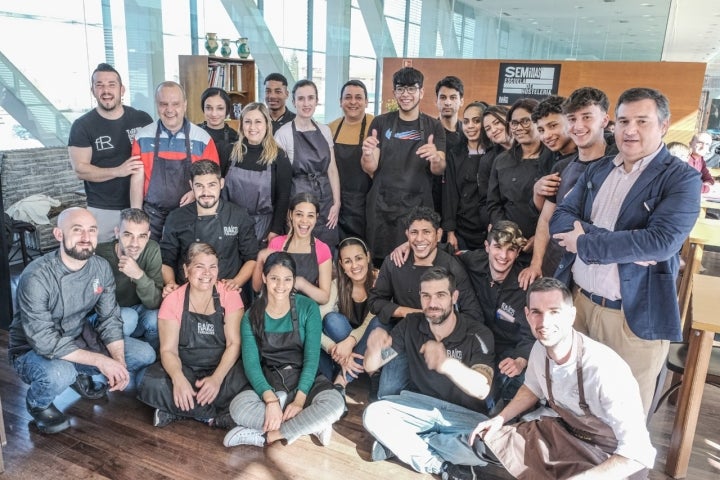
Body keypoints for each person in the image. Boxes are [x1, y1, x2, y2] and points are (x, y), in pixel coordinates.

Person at [550, 87, 702, 414]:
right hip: (579, 305)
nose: (630, 130)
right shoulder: (598, 168)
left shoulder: (681, 179)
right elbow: (560, 219)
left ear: (663, 125)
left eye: (642, 121)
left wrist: (584, 241)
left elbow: (659, 243)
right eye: (623, 121)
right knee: (574, 403)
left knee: (622, 416)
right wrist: (621, 243)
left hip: (631, 318)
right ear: (613, 126)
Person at [469, 277, 656, 480]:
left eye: (554, 312)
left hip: (606, 455)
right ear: (527, 315)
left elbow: (638, 454)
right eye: (536, 313)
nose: (544, 322)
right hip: (565, 436)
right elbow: (532, 387)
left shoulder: (605, 370)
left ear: (571, 315)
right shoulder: (539, 349)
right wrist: (499, 419)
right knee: (485, 441)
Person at [9, 207, 156, 434]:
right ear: (59, 235)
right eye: (77, 231)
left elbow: (109, 318)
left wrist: (117, 360)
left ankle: (81, 373)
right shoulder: (37, 276)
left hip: (78, 336)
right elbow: (45, 341)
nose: (86, 238)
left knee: (143, 354)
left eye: (92, 230)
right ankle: (38, 404)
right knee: (61, 373)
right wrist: (101, 361)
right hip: (31, 349)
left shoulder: (100, 267)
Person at [363, 267, 495, 479]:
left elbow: (482, 389)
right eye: (426, 296)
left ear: (454, 297)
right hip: (419, 406)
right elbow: (371, 366)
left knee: (489, 445)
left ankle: (405, 443)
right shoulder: (411, 324)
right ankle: (441, 466)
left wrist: (446, 364)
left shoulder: (478, 333)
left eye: (440, 295)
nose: (432, 303)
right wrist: (373, 349)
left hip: (462, 416)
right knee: (373, 414)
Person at [224, 252, 345, 448]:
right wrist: (270, 401)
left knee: (336, 404)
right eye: (274, 278)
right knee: (238, 408)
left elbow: (312, 358)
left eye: (287, 279)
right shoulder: (251, 316)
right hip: (271, 381)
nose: (281, 286)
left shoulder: (308, 308)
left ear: (294, 280)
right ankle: (310, 423)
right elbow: (252, 365)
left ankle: (267, 437)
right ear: (264, 278)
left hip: (306, 380)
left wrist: (299, 401)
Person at [137, 242, 247, 428]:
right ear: (186, 270)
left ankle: (177, 410)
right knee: (149, 380)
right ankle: (214, 418)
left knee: (248, 376)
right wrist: (178, 379)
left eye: (212, 267)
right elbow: (168, 350)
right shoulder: (173, 299)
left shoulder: (229, 295)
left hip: (222, 370)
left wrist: (217, 379)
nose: (207, 273)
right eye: (199, 267)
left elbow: (234, 344)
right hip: (186, 368)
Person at [520, 87, 614, 288]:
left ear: (604, 120)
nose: (578, 126)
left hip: (599, 269)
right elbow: (545, 218)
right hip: (557, 263)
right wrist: (536, 264)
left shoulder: (618, 163)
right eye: (573, 119)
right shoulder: (561, 166)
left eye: (587, 117)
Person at [361, 67, 447, 266]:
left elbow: (439, 168)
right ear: (394, 93)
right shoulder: (381, 123)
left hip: (418, 207)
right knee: (380, 264)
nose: (405, 94)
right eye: (400, 89)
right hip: (382, 206)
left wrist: (435, 157)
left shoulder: (434, 126)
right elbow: (370, 167)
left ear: (421, 92)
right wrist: (367, 153)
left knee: (414, 262)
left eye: (411, 89)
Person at [68, 63, 153, 241]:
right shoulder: (83, 125)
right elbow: (80, 170)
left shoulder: (142, 119)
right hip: (104, 208)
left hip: (143, 204)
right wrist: (118, 171)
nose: (106, 90)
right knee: (104, 261)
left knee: (139, 260)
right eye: (99, 85)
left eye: (111, 85)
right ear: (93, 90)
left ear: (122, 89)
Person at [129, 81, 220, 240]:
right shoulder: (142, 137)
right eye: (163, 104)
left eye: (175, 104)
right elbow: (137, 178)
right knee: (151, 262)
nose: (169, 110)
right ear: (157, 105)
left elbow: (212, 180)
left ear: (184, 105)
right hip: (152, 217)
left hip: (190, 215)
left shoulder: (202, 139)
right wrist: (136, 216)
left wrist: (194, 192)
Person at [458, 221, 534, 409]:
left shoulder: (526, 285)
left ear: (518, 253)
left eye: (511, 250)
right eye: (497, 247)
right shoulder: (472, 261)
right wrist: (407, 245)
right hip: (474, 345)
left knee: (501, 397)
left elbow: (534, 333)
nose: (503, 255)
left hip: (507, 353)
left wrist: (520, 360)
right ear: (487, 246)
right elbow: (442, 253)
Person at [368, 206, 482, 330]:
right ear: (407, 234)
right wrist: (407, 312)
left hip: (439, 333)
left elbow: (473, 314)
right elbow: (375, 302)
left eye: (426, 232)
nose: (420, 239)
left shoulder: (452, 266)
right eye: (414, 232)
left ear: (438, 234)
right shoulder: (394, 261)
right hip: (403, 330)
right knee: (377, 324)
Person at [160, 160, 258, 302]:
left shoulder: (238, 215)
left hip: (227, 291)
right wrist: (170, 283)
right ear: (191, 186)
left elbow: (252, 258)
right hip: (189, 292)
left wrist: (236, 282)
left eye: (211, 185)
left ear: (221, 183)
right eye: (199, 186)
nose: (206, 192)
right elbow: (166, 259)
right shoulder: (176, 218)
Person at [487, 98, 554, 268]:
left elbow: (557, 208)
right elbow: (494, 204)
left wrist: (538, 239)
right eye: (514, 123)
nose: (519, 127)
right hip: (508, 247)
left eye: (525, 121)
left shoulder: (554, 158)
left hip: (544, 247)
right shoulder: (501, 161)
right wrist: (507, 236)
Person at [274, 79, 341, 249]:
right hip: (297, 202)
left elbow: (332, 169)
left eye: (310, 98)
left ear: (317, 101)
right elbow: (278, 179)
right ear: (293, 102)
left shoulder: (325, 130)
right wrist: (286, 213)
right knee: (299, 250)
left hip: (326, 202)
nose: (306, 103)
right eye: (301, 99)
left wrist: (337, 202)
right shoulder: (283, 133)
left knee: (326, 250)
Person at [318, 237, 384, 395]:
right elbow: (315, 323)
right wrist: (334, 348)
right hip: (344, 347)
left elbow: (373, 323)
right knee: (332, 320)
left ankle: (342, 381)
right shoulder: (337, 285)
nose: (354, 266)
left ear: (367, 257)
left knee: (378, 322)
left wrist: (350, 341)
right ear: (341, 264)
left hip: (377, 348)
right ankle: (341, 378)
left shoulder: (382, 280)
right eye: (347, 261)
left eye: (359, 258)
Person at [225, 102, 293, 246]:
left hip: (264, 229)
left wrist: (274, 231)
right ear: (241, 124)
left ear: (267, 125)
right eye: (247, 122)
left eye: (258, 122)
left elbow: (283, 198)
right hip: (231, 226)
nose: (252, 127)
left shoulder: (279, 156)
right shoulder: (229, 152)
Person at [96, 208, 163, 350]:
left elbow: (155, 302)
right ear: (117, 232)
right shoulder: (100, 254)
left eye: (142, 236)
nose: (135, 243)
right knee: (128, 317)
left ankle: (148, 357)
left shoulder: (152, 249)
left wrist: (139, 275)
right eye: (128, 235)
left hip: (138, 311)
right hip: (108, 319)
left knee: (157, 317)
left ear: (149, 235)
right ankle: (114, 356)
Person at [253, 193, 332, 305]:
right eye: (299, 214)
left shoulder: (322, 249)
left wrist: (300, 283)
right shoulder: (277, 243)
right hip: (276, 308)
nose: (304, 221)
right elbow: (257, 288)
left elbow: (324, 298)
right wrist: (260, 260)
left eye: (310, 216)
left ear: (316, 218)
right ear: (291, 215)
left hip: (307, 312)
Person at [328, 80, 374, 240]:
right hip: (337, 200)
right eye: (348, 97)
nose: (353, 102)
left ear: (367, 102)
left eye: (358, 97)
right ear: (341, 102)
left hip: (366, 202)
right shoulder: (330, 128)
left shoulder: (376, 126)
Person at [443, 101, 491, 251]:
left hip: (488, 231)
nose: (470, 126)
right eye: (466, 121)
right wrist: (450, 232)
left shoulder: (496, 154)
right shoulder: (454, 154)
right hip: (461, 231)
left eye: (476, 121)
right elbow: (449, 195)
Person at [433, 75, 466, 216]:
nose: (447, 102)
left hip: (461, 205)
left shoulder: (468, 134)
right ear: (436, 101)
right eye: (443, 97)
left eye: (453, 98)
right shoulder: (429, 133)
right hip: (432, 200)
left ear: (461, 101)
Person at [197, 87, 239, 176]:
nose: (214, 114)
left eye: (220, 108)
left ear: (227, 110)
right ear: (203, 109)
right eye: (209, 108)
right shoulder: (193, 133)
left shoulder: (235, 137)